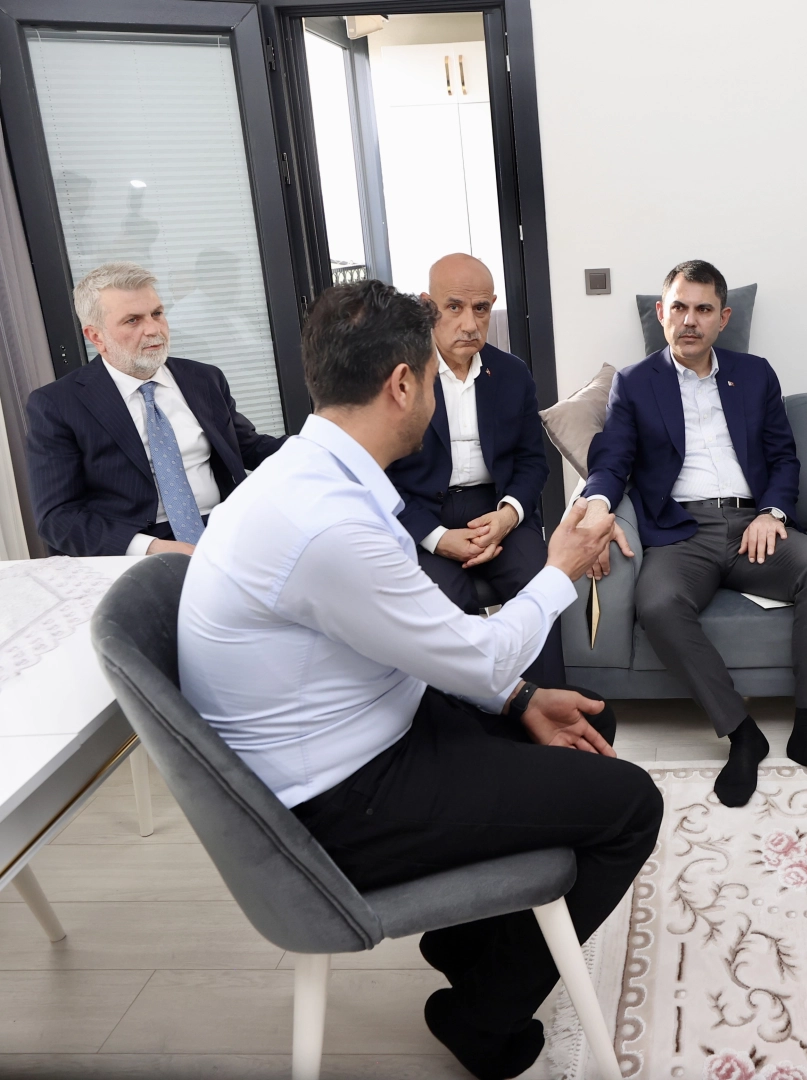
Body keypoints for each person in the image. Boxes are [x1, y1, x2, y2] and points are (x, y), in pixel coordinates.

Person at [177, 280, 661, 1080]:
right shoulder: (326, 525)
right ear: (402, 384)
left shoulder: (311, 475)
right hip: (339, 800)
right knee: (630, 805)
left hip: (366, 728)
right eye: (433, 378)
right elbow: (480, 657)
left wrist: (522, 698)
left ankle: (468, 943)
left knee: (585, 726)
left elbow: (433, 648)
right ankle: (479, 1017)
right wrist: (561, 570)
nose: (437, 393)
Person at [582, 260, 807, 808]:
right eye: (679, 307)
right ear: (661, 313)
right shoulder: (635, 383)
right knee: (657, 604)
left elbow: (783, 456)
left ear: (723, 317)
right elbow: (612, 461)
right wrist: (595, 507)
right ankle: (741, 732)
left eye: (703, 309)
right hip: (681, 530)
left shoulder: (754, 374)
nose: (690, 320)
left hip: (754, 523)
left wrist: (773, 512)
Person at [25, 261, 283, 557]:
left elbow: (248, 446)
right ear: (96, 336)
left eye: (157, 314)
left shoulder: (203, 379)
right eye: (132, 320)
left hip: (224, 527)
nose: (153, 329)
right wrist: (151, 548)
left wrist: (320, 441)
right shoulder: (58, 404)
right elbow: (57, 517)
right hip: (138, 543)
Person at [386, 253, 562, 685]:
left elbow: (532, 462)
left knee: (542, 586)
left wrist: (508, 515)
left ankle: (547, 705)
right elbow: (381, 474)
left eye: (481, 308)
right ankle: (475, 714)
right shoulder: (401, 377)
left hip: (497, 508)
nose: (469, 323)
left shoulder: (512, 373)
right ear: (427, 306)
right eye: (454, 307)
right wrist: (436, 538)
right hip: (424, 514)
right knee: (444, 600)